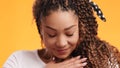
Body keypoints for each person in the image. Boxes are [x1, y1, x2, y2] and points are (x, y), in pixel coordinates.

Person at [3, 0, 120, 68]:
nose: (61, 43)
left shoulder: (102, 61)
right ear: (41, 30)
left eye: (69, 34)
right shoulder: (18, 60)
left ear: (82, 29)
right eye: (51, 34)